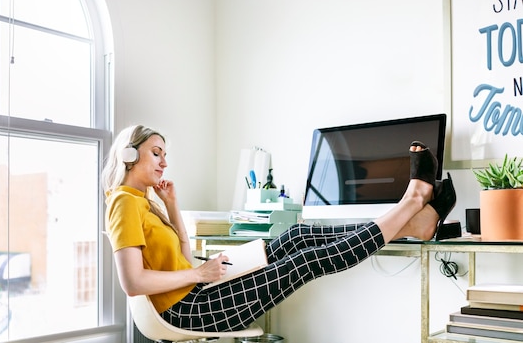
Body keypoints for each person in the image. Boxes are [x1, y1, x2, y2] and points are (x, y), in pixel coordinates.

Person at [102, 124, 457, 332]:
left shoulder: (142, 201)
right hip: (185, 310)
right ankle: (411, 206)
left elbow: (180, 256)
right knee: (303, 262)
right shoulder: (123, 201)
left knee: (299, 235)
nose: (165, 161)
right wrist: (199, 275)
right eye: (156, 153)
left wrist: (172, 207)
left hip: (195, 291)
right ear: (130, 157)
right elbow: (133, 283)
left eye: (165, 154)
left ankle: (414, 221)